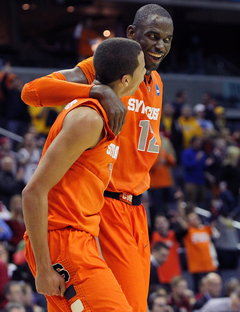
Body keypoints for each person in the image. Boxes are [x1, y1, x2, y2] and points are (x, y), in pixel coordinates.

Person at [21, 4, 174, 312]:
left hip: (136, 207)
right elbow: (31, 92)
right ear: (132, 34)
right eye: (152, 36)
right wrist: (97, 90)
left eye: (167, 39)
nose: (160, 45)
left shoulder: (154, 82)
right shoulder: (108, 69)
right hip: (102, 206)